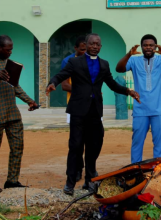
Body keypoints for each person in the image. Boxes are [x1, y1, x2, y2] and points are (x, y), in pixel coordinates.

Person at [46, 33, 140, 196]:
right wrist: (52, 83)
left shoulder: (104, 64)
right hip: (77, 111)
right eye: (92, 44)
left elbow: (111, 84)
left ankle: (90, 180)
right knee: (75, 146)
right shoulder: (74, 62)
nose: (95, 46)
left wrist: (128, 91)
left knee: (94, 146)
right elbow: (62, 75)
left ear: (100, 46)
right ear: (86, 45)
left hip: (95, 112)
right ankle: (70, 183)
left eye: (98, 44)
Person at [0, 35, 39, 194]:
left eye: (12, 49)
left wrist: (29, 101)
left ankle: (12, 180)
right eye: (8, 49)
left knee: (17, 147)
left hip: (12, 113)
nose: (11, 52)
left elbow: (15, 86)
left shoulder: (8, 63)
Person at [116, 34, 161, 163]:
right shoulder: (134, 60)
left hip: (159, 110)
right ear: (142, 47)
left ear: (155, 47)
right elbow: (119, 68)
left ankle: (157, 171)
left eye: (151, 45)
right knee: (137, 142)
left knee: (160, 143)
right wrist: (129, 54)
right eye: (145, 45)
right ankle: (136, 170)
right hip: (140, 110)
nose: (148, 47)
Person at [60, 35, 87, 182]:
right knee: (76, 141)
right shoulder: (68, 61)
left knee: (88, 140)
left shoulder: (93, 60)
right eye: (82, 49)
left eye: (86, 49)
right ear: (76, 49)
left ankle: (85, 170)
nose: (85, 52)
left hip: (91, 106)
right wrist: (84, 90)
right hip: (75, 106)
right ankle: (75, 169)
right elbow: (64, 85)